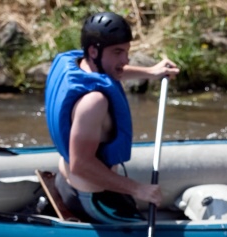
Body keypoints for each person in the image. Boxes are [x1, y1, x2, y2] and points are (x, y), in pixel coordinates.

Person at [44, 12, 179, 222]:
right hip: (91, 198)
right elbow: (81, 164)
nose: (125, 59)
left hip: (66, 180)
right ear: (93, 51)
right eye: (117, 52)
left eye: (126, 51)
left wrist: (151, 72)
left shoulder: (76, 62)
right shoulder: (93, 103)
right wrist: (138, 189)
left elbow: (112, 71)